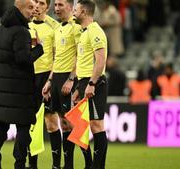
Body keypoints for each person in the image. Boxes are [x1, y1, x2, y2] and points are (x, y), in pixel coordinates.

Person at [0, 0, 44, 168]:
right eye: (29, 8)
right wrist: (39, 48)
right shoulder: (21, 32)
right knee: (23, 129)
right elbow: (23, 60)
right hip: (19, 89)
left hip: (1, 89)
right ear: (19, 9)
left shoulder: (0, 30)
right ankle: (19, 164)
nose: (32, 12)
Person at [42, 0, 92, 168]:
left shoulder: (75, 27)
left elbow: (81, 54)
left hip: (68, 79)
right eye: (55, 5)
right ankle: (67, 165)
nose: (56, 8)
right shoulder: (58, 29)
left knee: (75, 124)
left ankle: (89, 162)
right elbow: (57, 58)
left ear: (71, 7)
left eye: (60, 5)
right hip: (56, 78)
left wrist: (71, 79)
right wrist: (50, 81)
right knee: (63, 123)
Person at [72, 0, 108, 168]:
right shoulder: (83, 31)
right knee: (81, 126)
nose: (73, 12)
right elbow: (84, 61)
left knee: (96, 125)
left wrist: (92, 83)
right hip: (83, 82)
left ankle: (97, 166)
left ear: (84, 12)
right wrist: (79, 85)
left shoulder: (95, 31)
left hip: (94, 82)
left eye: (76, 9)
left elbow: (100, 60)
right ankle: (90, 164)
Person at [26, 0, 60, 169]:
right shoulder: (26, 25)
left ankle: (55, 165)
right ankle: (32, 164)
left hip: (47, 78)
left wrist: (50, 80)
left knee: (51, 122)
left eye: (41, 3)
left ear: (47, 6)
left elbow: (57, 57)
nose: (37, 6)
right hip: (29, 78)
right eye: (35, 2)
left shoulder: (54, 27)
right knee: (30, 123)